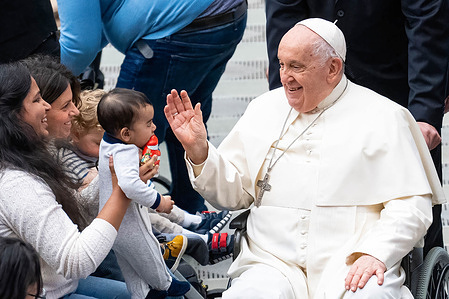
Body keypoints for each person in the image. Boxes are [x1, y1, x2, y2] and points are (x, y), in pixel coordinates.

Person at [164, 19, 446, 298]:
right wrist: (199, 151)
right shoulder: (263, 109)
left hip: (351, 261)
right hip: (271, 261)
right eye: (282, 64)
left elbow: (411, 207)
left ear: (333, 69)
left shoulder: (385, 116)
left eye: (296, 66)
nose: (285, 76)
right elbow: (232, 195)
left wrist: (377, 253)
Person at [265, 0, 449, 255]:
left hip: (394, 79)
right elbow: (283, 18)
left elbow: (426, 20)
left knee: (411, 203)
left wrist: (424, 112)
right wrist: (285, 99)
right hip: (317, 82)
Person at [56, 0, 248, 214]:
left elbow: (79, 46)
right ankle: (194, 217)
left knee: (124, 140)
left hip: (178, 29)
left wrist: (41, 85)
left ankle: (158, 223)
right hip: (224, 17)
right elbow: (93, 25)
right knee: (183, 120)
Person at [0, 61, 133, 298]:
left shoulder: (31, 158)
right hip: (48, 292)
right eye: (37, 100)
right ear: (13, 116)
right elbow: (78, 260)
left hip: (63, 284)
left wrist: (112, 177)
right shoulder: (17, 184)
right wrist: (121, 193)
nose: (46, 107)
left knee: (138, 292)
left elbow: (76, 209)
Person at [97, 88, 191, 298]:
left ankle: (142, 294)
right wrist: (160, 202)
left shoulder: (107, 144)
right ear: (126, 134)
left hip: (110, 223)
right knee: (149, 251)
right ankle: (165, 284)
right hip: (128, 221)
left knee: (131, 268)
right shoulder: (126, 150)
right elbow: (130, 185)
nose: (154, 127)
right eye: (148, 124)